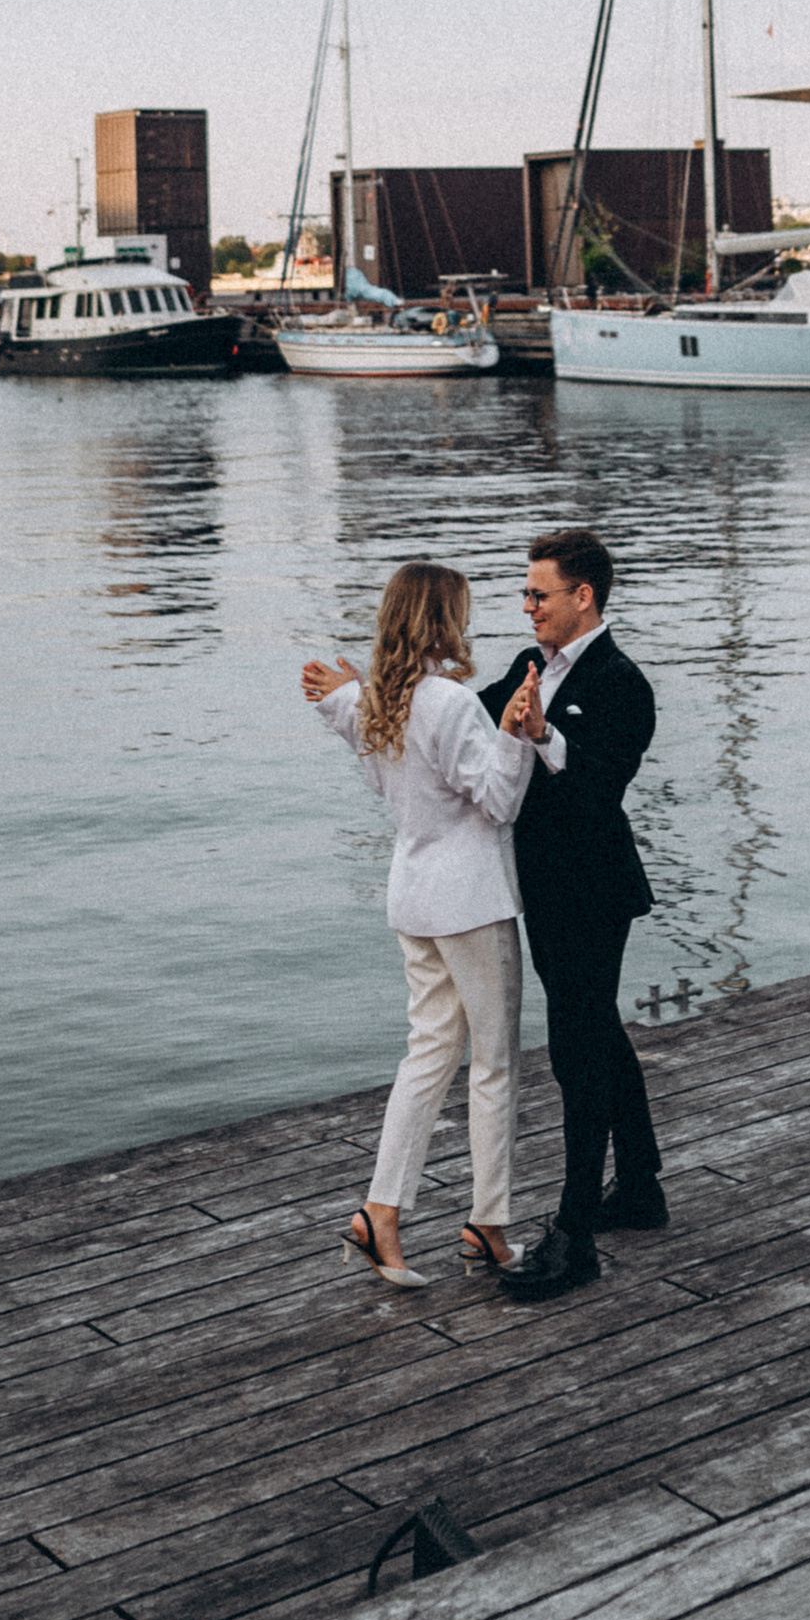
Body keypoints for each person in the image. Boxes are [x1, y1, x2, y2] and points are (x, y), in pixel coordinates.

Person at [302, 558, 534, 1286]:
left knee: (429, 1053)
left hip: (413, 898)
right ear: (445, 619)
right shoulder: (450, 701)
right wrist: (517, 731)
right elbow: (499, 800)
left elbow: (373, 758)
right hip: (470, 902)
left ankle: (381, 1211)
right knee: (493, 1062)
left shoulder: (381, 702)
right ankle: (488, 1225)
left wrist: (342, 696)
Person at [481, 525, 663, 1302]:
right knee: (595, 1024)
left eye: (538, 594)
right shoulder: (531, 666)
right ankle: (643, 1186)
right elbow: (468, 718)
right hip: (544, 887)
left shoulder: (625, 683)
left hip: (593, 887)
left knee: (574, 1047)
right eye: (525, 593)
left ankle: (576, 1231)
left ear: (582, 596)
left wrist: (543, 732)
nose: (527, 606)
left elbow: (597, 784)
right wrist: (389, 689)